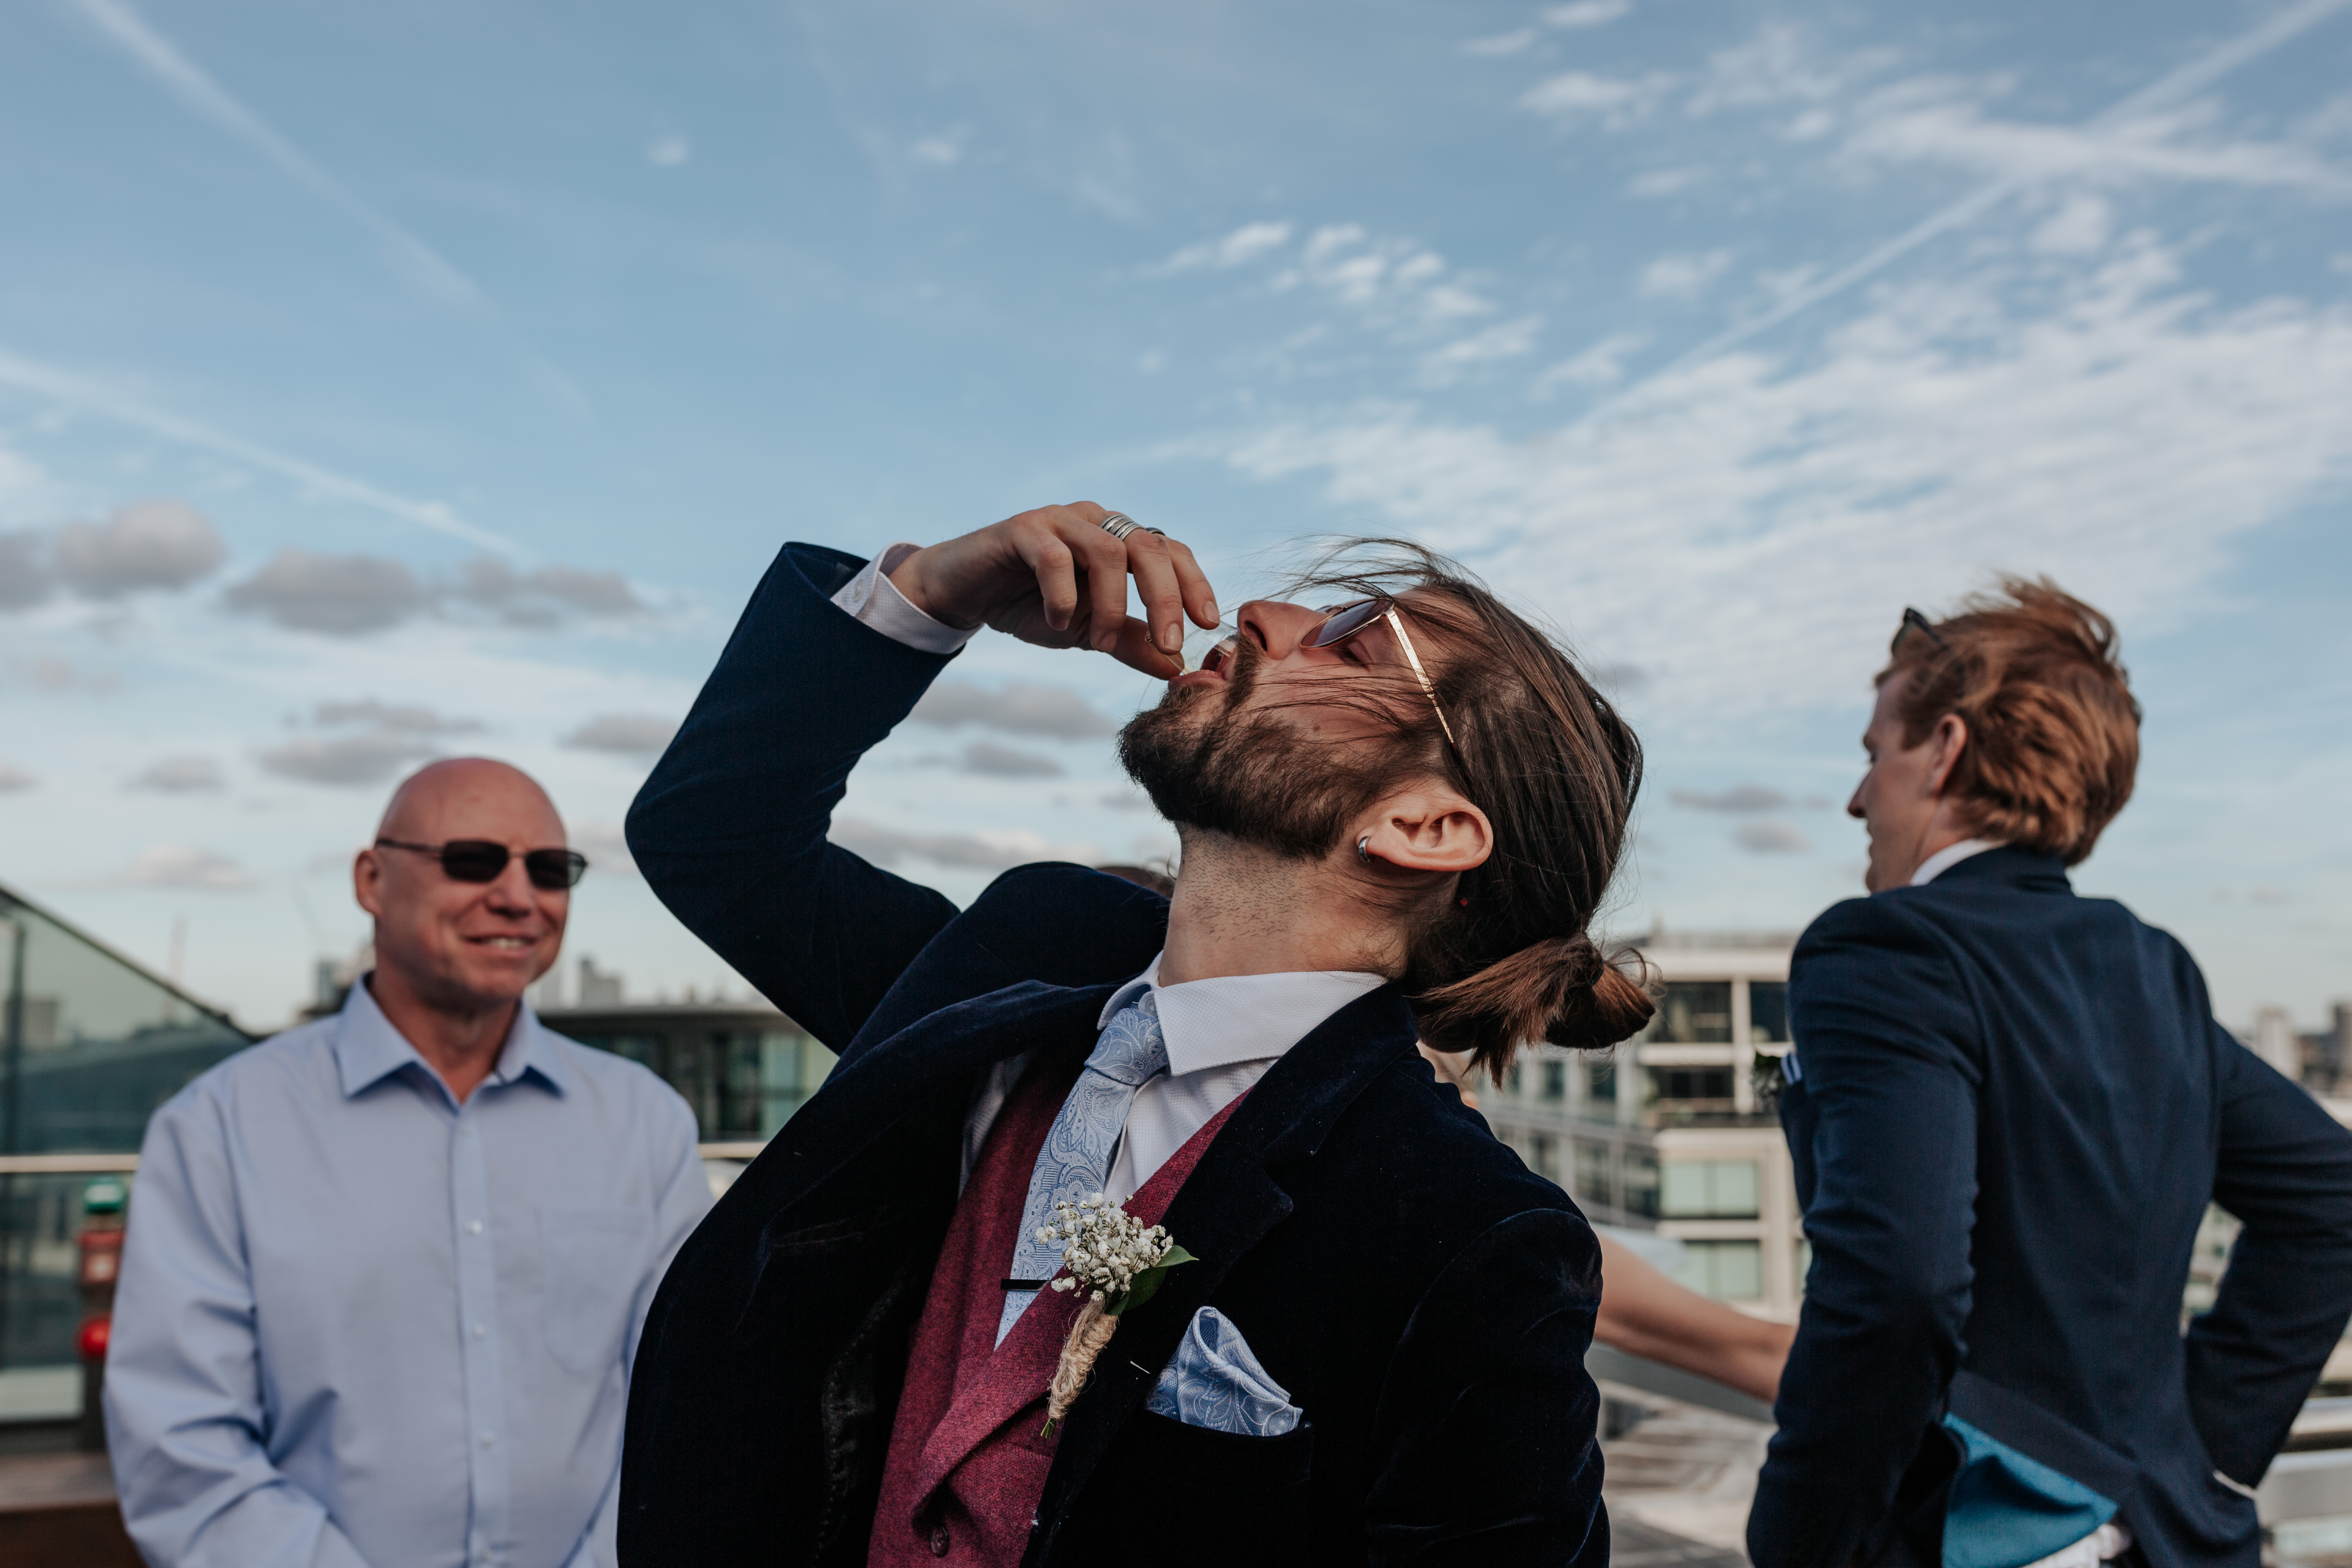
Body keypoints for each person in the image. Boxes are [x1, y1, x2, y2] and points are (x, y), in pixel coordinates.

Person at [618, 505, 1654, 1565]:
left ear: (1424, 828)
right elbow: (715, 840)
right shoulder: (1019, 954)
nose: (1262, 614)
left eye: (1356, 641)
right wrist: (927, 598)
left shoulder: (1468, 1228)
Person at [1749, 584, 2352, 1568]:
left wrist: (1803, 1538)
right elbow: (2333, 1190)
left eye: (1874, 753)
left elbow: (1899, 1283)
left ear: (1944, 749)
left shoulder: (1885, 949)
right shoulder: (2153, 965)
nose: (1859, 798)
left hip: (1965, 1536)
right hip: (2172, 1543)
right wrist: (2200, 1456)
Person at [106, 759, 713, 1568]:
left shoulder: (647, 1125)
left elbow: (687, 1408)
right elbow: (182, 1446)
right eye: (473, 860)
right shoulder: (217, 1129)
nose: (518, 896)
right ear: (372, 880)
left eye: (549, 869)